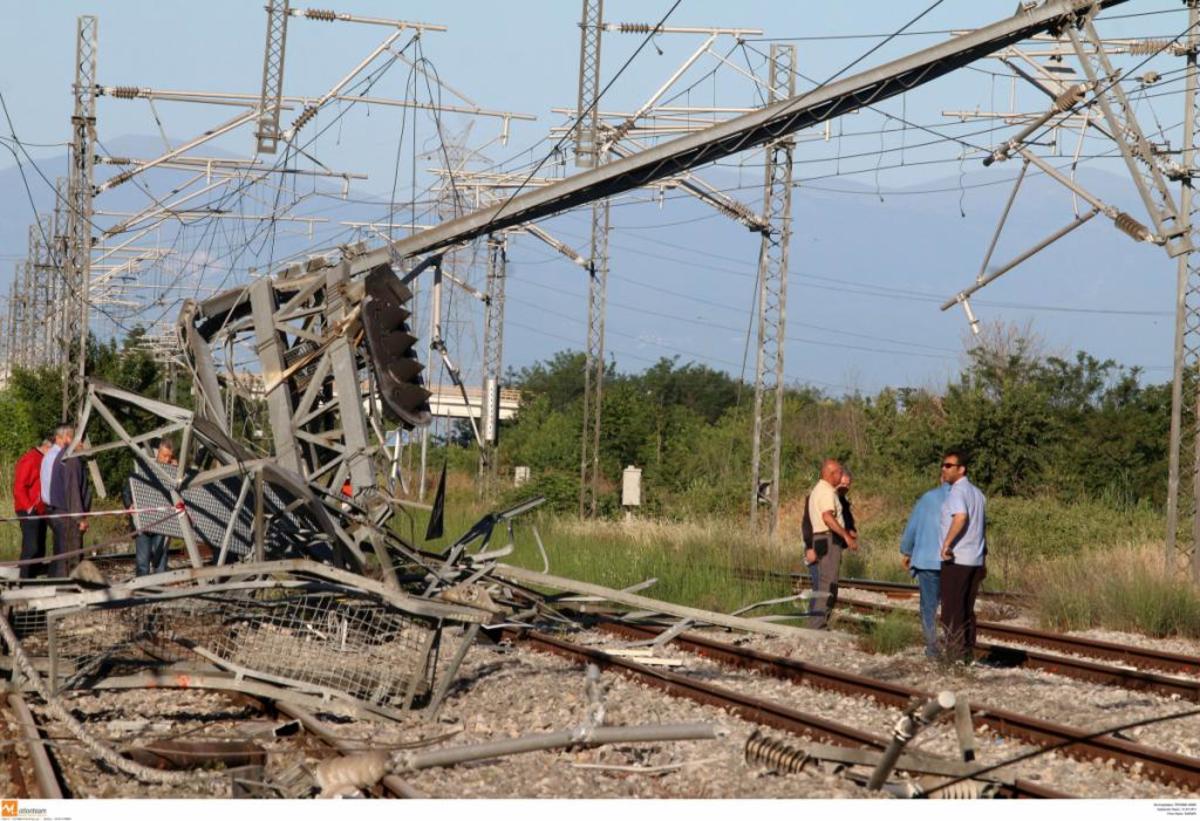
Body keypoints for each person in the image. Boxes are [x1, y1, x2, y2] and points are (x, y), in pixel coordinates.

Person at [938, 450, 987, 662]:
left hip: (957, 559)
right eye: (943, 465)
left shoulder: (958, 492)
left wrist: (947, 544)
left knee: (952, 610)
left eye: (949, 465)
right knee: (967, 609)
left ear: (961, 469)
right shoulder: (978, 493)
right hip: (974, 560)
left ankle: (954, 657)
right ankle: (967, 653)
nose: (944, 468)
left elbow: (961, 517)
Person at [899, 475, 950, 658]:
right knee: (951, 606)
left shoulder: (927, 498)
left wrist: (906, 550)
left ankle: (932, 648)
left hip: (928, 561)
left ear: (941, 478)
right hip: (955, 563)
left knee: (928, 606)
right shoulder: (969, 497)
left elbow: (912, 528)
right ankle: (955, 646)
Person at [805, 459, 858, 629]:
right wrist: (846, 536)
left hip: (820, 540)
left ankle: (818, 622)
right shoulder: (827, 492)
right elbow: (827, 517)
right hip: (828, 540)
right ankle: (817, 625)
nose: (841, 476)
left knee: (824, 583)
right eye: (839, 472)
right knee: (828, 585)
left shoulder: (818, 489)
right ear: (831, 473)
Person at [125, 439, 175, 576]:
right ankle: (142, 591)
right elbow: (127, 489)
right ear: (157, 453)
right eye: (164, 456)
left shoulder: (171, 472)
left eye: (169, 457)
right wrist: (129, 504)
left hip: (162, 522)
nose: (167, 459)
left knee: (160, 562)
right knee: (142, 562)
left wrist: (175, 471)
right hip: (142, 522)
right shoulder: (143, 467)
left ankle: (159, 590)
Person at [13, 435, 52, 579]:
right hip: (28, 509)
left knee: (40, 548)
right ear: (47, 447)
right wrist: (29, 507)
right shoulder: (30, 458)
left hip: (41, 510)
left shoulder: (43, 459)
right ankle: (23, 578)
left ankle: (32, 577)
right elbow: (19, 487)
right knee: (32, 546)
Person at [40, 424, 74, 578]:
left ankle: (53, 578)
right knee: (63, 548)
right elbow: (62, 485)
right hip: (58, 506)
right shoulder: (59, 457)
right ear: (62, 437)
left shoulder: (49, 455)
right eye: (70, 437)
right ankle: (60, 583)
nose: (72, 440)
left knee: (59, 547)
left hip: (50, 506)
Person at [60, 439, 93, 577]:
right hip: (73, 518)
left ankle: (73, 582)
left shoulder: (76, 461)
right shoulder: (74, 463)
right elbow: (74, 492)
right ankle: (73, 585)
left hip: (73, 515)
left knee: (75, 552)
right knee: (74, 553)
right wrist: (80, 519)